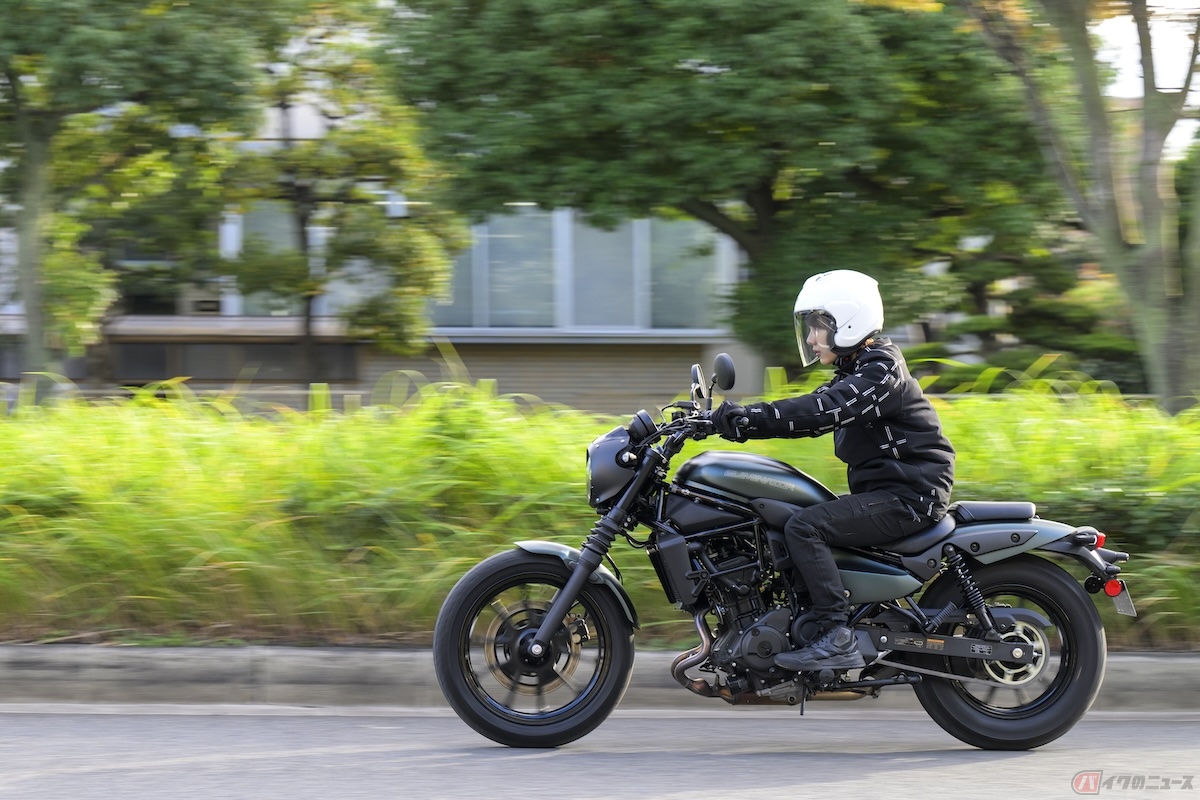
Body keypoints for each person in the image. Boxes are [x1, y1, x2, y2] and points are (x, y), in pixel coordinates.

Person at [711, 269, 955, 672]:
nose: (810, 338)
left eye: (818, 326)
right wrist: (733, 421)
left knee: (805, 527)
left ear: (848, 321)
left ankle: (835, 635)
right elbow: (808, 411)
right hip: (887, 493)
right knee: (780, 514)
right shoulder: (860, 369)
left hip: (910, 496)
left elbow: (825, 409)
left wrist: (747, 418)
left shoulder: (882, 370)